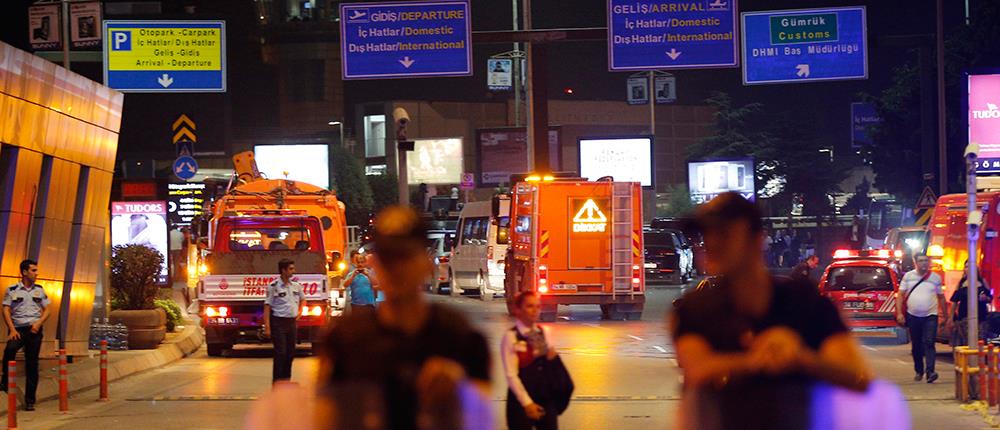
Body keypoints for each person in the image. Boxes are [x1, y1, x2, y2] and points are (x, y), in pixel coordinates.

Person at [670, 192, 871, 430]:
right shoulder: (696, 308)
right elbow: (698, 369)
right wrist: (760, 358)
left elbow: (857, 377)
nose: (712, 243)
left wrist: (800, 357)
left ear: (757, 239)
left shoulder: (806, 302)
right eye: (706, 235)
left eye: (724, 234)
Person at [319, 206, 492, 430]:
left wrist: (459, 390)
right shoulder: (346, 339)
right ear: (377, 265)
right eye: (387, 259)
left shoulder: (459, 335)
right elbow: (325, 416)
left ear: (427, 264)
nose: (396, 269)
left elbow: (484, 418)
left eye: (405, 257)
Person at [502, 291, 562, 430]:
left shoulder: (543, 333)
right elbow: (511, 375)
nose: (535, 310)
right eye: (529, 306)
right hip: (520, 401)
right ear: (518, 309)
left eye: (538, 306)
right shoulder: (511, 337)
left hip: (544, 399)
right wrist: (527, 403)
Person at [1, 260, 51, 411]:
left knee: (32, 363)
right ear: (24, 272)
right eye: (33, 270)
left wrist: (39, 323)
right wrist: (12, 329)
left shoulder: (39, 290)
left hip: (34, 330)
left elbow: (47, 309)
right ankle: (5, 382)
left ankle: (30, 400)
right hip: (18, 329)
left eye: (36, 270)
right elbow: (6, 309)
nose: (36, 273)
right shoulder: (12, 290)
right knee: (9, 351)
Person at [895, 253, 945, 383]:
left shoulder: (935, 278)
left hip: (930, 315)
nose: (924, 263)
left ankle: (930, 372)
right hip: (913, 316)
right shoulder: (908, 276)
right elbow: (900, 295)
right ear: (915, 263)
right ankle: (919, 370)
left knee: (929, 342)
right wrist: (899, 313)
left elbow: (941, 297)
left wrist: (945, 316)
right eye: (921, 261)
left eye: (926, 261)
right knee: (916, 344)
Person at [264, 258, 305, 383]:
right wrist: (267, 327)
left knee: (290, 353)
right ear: (283, 270)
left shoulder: (296, 286)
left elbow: (303, 299)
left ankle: (286, 380)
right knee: (280, 352)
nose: (294, 271)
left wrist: (300, 311)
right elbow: (267, 306)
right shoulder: (273, 286)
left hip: (291, 323)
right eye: (291, 269)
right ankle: (277, 381)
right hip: (278, 322)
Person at [951, 260, 992, 347]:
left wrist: (986, 298)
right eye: (966, 267)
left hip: (981, 316)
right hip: (964, 317)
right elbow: (954, 301)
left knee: (980, 340)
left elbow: (990, 298)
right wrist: (951, 318)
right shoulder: (961, 283)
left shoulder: (982, 282)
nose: (968, 269)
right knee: (967, 341)